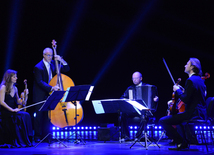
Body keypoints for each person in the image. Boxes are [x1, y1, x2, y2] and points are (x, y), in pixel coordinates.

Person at [159, 58, 207, 150]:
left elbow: (185, 99)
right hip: (201, 113)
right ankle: (183, 143)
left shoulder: (190, 80)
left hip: (192, 114)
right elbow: (194, 96)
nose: (185, 65)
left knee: (162, 121)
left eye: (187, 64)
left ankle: (180, 141)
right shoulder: (200, 80)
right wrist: (183, 91)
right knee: (177, 118)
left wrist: (177, 90)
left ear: (192, 67)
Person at [33, 47, 70, 142]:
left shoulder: (54, 64)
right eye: (48, 55)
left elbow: (66, 68)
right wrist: (51, 87)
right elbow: (39, 82)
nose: (50, 57)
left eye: (51, 55)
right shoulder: (38, 67)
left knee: (49, 116)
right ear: (43, 55)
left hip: (50, 94)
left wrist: (61, 60)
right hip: (40, 94)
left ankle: (48, 136)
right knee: (39, 116)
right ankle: (37, 136)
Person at [120, 71, 158, 141]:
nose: (134, 80)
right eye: (133, 78)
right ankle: (126, 136)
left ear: (141, 78)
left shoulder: (150, 87)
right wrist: (126, 100)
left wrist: (156, 99)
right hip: (133, 110)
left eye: (136, 78)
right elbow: (122, 97)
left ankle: (138, 136)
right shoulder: (130, 88)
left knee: (145, 115)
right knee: (123, 114)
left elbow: (154, 99)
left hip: (143, 111)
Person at [0, 69, 33, 148]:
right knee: (21, 115)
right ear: (9, 78)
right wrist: (12, 110)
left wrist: (25, 95)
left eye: (16, 76)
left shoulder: (15, 88)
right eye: (14, 77)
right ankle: (19, 140)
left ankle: (26, 139)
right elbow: (1, 102)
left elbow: (19, 102)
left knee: (26, 115)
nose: (16, 78)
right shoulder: (3, 87)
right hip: (6, 112)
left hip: (13, 110)